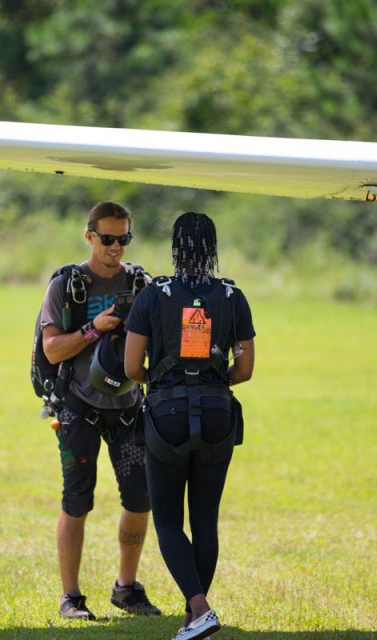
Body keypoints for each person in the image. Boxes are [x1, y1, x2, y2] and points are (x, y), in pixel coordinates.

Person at [124, 211, 255, 640]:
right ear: (212, 247)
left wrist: (160, 382)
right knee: (205, 521)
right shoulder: (233, 295)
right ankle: (192, 617)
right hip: (219, 412)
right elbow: (246, 368)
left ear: (175, 246)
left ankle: (198, 609)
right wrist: (216, 381)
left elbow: (130, 366)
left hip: (166, 415)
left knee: (166, 520)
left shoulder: (153, 294)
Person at [39, 201, 161, 621]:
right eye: (107, 239)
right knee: (77, 501)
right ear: (89, 236)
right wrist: (97, 328)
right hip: (79, 408)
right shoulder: (67, 285)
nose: (116, 248)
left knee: (140, 497)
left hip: (129, 408)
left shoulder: (143, 284)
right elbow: (52, 350)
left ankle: (126, 588)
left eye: (123, 239)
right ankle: (70, 598)